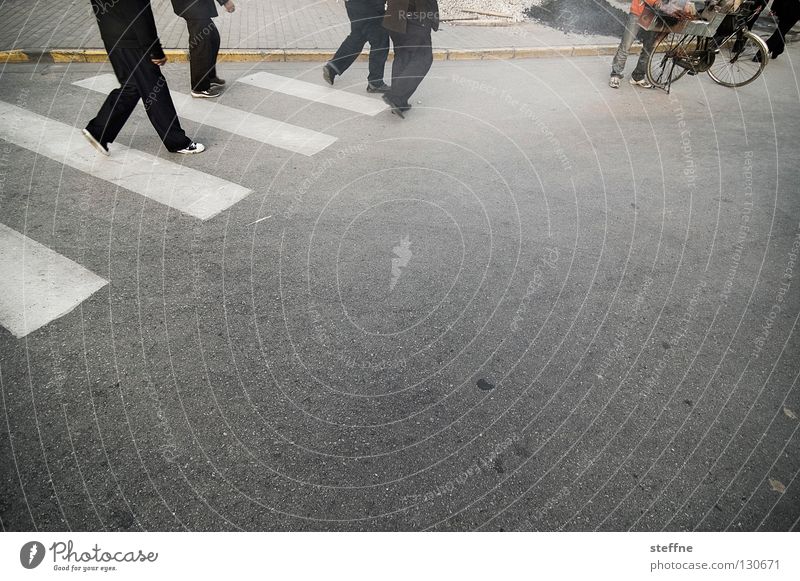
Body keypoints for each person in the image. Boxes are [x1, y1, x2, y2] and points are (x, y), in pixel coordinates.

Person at [83, 0, 203, 155]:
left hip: (111, 37)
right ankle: (177, 141)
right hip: (133, 41)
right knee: (155, 89)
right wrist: (155, 50)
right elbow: (140, 15)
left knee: (131, 86)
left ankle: (98, 131)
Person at [382, 0, 439, 118]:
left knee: (402, 56)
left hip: (394, 18)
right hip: (414, 20)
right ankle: (396, 96)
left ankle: (399, 103)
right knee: (424, 58)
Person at [170, 0, 236, 98]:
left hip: (195, 6)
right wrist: (225, 1)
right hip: (194, 7)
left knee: (213, 39)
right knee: (201, 46)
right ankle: (199, 87)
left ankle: (209, 77)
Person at [323, 1, 391, 93]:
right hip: (370, 6)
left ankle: (333, 67)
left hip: (353, 4)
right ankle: (375, 82)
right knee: (380, 41)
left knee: (358, 36)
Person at [609, 0, 661, 89]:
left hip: (656, 16)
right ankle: (616, 74)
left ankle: (638, 76)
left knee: (648, 49)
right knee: (626, 44)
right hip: (638, 12)